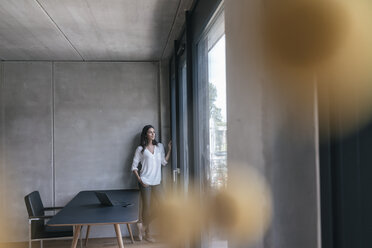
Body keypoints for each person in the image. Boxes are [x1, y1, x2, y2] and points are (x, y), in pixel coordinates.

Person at [131, 125, 171, 242]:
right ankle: (148, 234)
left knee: (164, 205)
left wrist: (169, 149)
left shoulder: (159, 147)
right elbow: (134, 167)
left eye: (154, 132)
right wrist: (140, 180)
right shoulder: (140, 149)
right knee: (147, 207)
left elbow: (163, 162)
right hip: (145, 182)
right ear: (145, 135)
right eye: (150, 132)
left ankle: (142, 226)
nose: (153, 134)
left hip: (157, 181)